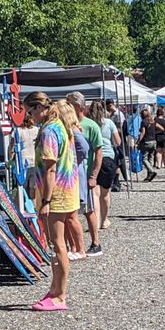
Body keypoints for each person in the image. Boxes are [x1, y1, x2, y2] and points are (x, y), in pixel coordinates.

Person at [31, 98, 80, 311]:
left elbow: (50, 168)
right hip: (66, 190)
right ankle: (54, 289)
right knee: (56, 245)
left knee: (57, 245)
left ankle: (60, 294)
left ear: (41, 107)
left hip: (56, 194)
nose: (29, 116)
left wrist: (46, 200)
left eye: (30, 110)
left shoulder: (49, 131)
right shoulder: (60, 125)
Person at [66, 92, 103, 257]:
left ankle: (96, 243)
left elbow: (98, 152)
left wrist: (93, 175)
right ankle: (73, 246)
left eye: (70, 105)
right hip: (69, 174)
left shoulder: (90, 126)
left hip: (84, 173)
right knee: (69, 212)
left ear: (79, 107)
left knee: (88, 210)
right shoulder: (66, 124)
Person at [89, 100, 121, 229]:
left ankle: (95, 222)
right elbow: (117, 142)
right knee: (105, 193)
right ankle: (104, 220)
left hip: (92, 158)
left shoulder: (89, 124)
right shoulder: (109, 123)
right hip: (107, 157)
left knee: (95, 193)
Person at [11, 93, 42, 199]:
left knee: (22, 187)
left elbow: (12, 148)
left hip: (22, 161)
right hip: (34, 160)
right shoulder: (36, 130)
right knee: (33, 188)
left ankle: (22, 206)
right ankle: (33, 207)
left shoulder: (17, 131)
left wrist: (10, 158)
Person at [137, 108, 158, 181]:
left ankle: (152, 171)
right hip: (154, 141)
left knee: (144, 158)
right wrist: (155, 132)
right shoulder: (152, 121)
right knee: (150, 158)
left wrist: (138, 141)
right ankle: (149, 176)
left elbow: (143, 132)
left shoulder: (144, 122)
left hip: (147, 141)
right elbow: (162, 128)